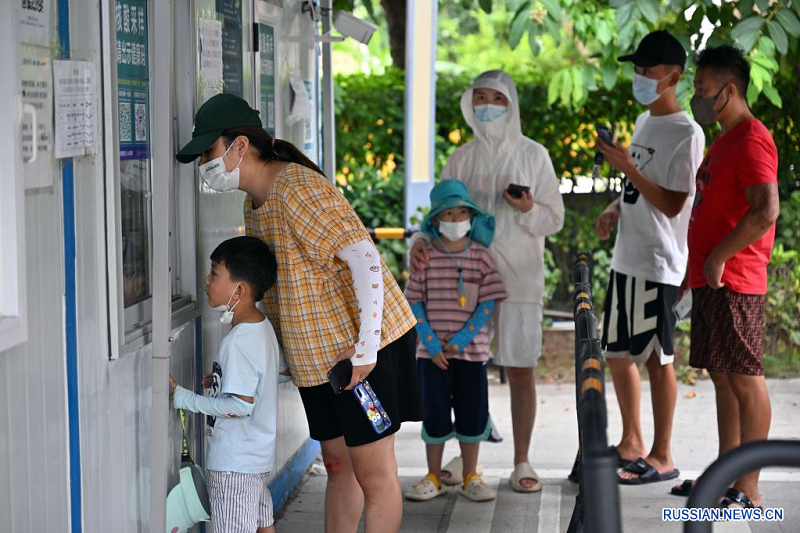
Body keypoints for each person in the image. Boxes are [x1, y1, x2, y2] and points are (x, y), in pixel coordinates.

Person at [176, 94, 423, 533]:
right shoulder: (253, 204)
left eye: (209, 153)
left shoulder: (297, 188)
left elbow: (365, 258)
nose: (204, 166)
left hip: (363, 350)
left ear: (240, 146)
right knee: (337, 465)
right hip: (318, 361)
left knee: (374, 474)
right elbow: (278, 285)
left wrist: (365, 350)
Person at [411, 70, 564, 493]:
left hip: (519, 279)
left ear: (511, 104)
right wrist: (422, 242)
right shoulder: (460, 158)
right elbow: (440, 211)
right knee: (464, 369)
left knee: (519, 369)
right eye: (480, 97)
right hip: (459, 286)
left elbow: (555, 217)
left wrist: (529, 208)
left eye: (496, 98)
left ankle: (521, 459)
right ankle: (468, 457)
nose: (487, 105)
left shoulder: (534, 156)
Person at [595, 30, 705, 485]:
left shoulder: (687, 133)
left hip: (659, 264)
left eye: (648, 71)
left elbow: (675, 203)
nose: (639, 77)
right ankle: (632, 441)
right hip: (627, 259)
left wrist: (627, 167)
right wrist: (614, 207)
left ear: (673, 77)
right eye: (636, 69)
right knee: (618, 354)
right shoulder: (644, 124)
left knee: (659, 359)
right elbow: (639, 192)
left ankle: (662, 455)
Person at [679, 45, 779, 508]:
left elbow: (765, 211)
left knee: (744, 377)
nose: (696, 97)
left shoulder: (753, 138)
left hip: (736, 279)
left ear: (729, 90)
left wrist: (718, 257)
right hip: (710, 279)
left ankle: (750, 486)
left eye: (702, 90)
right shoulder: (723, 140)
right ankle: (726, 472)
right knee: (722, 376)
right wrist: (693, 269)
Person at [169, 236, 282, 533]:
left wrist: (184, 398)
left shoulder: (239, 342)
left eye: (215, 273)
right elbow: (268, 377)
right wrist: (219, 384)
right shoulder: (260, 326)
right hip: (254, 457)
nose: (206, 281)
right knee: (262, 524)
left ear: (239, 290)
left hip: (234, 463)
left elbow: (240, 406)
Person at [403, 180, 507, 503]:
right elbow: (414, 302)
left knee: (472, 415)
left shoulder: (481, 257)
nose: (456, 219)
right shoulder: (425, 257)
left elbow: (488, 304)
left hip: (471, 355)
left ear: (472, 217)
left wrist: (461, 341)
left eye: (462, 212)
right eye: (448, 213)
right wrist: (432, 344)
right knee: (434, 416)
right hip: (430, 356)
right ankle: (433, 475)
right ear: (436, 220)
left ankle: (471, 475)